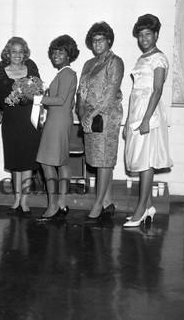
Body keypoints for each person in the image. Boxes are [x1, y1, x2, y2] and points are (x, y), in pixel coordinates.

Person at [123, 14, 173, 227]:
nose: (144, 39)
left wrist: (145, 119)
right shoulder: (142, 58)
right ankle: (149, 206)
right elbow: (135, 92)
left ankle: (141, 210)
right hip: (137, 110)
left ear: (156, 35)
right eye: (141, 35)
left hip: (149, 113)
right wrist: (128, 120)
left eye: (148, 34)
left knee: (146, 161)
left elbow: (158, 89)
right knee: (141, 159)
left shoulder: (159, 58)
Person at [77, 22, 124, 221]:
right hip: (89, 118)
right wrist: (82, 113)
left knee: (104, 161)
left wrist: (92, 113)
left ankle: (97, 204)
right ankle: (107, 202)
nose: (97, 43)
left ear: (109, 41)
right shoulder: (89, 64)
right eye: (94, 40)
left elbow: (110, 92)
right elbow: (81, 92)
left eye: (101, 39)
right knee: (97, 161)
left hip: (106, 117)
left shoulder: (115, 62)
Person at [33, 35, 79, 221]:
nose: (56, 55)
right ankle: (61, 202)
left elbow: (60, 100)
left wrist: (37, 99)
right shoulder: (64, 73)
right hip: (59, 120)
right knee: (61, 162)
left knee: (47, 162)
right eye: (54, 51)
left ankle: (53, 205)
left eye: (61, 51)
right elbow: (67, 100)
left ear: (69, 54)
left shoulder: (67, 73)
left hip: (58, 122)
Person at [0, 37, 41, 217]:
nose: (17, 55)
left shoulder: (31, 70)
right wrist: (9, 99)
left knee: (27, 159)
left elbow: (38, 91)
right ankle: (16, 199)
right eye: (14, 51)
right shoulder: (1, 72)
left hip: (28, 118)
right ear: (8, 53)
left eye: (21, 51)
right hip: (11, 119)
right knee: (15, 160)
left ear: (25, 54)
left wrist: (27, 94)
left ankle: (25, 201)